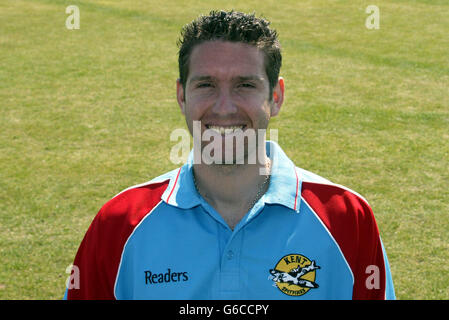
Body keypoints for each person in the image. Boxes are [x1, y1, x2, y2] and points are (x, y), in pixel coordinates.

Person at [64, 10, 395, 300]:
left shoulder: (346, 219)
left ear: (276, 96)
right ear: (182, 96)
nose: (224, 107)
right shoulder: (119, 224)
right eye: (206, 84)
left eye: (245, 85)